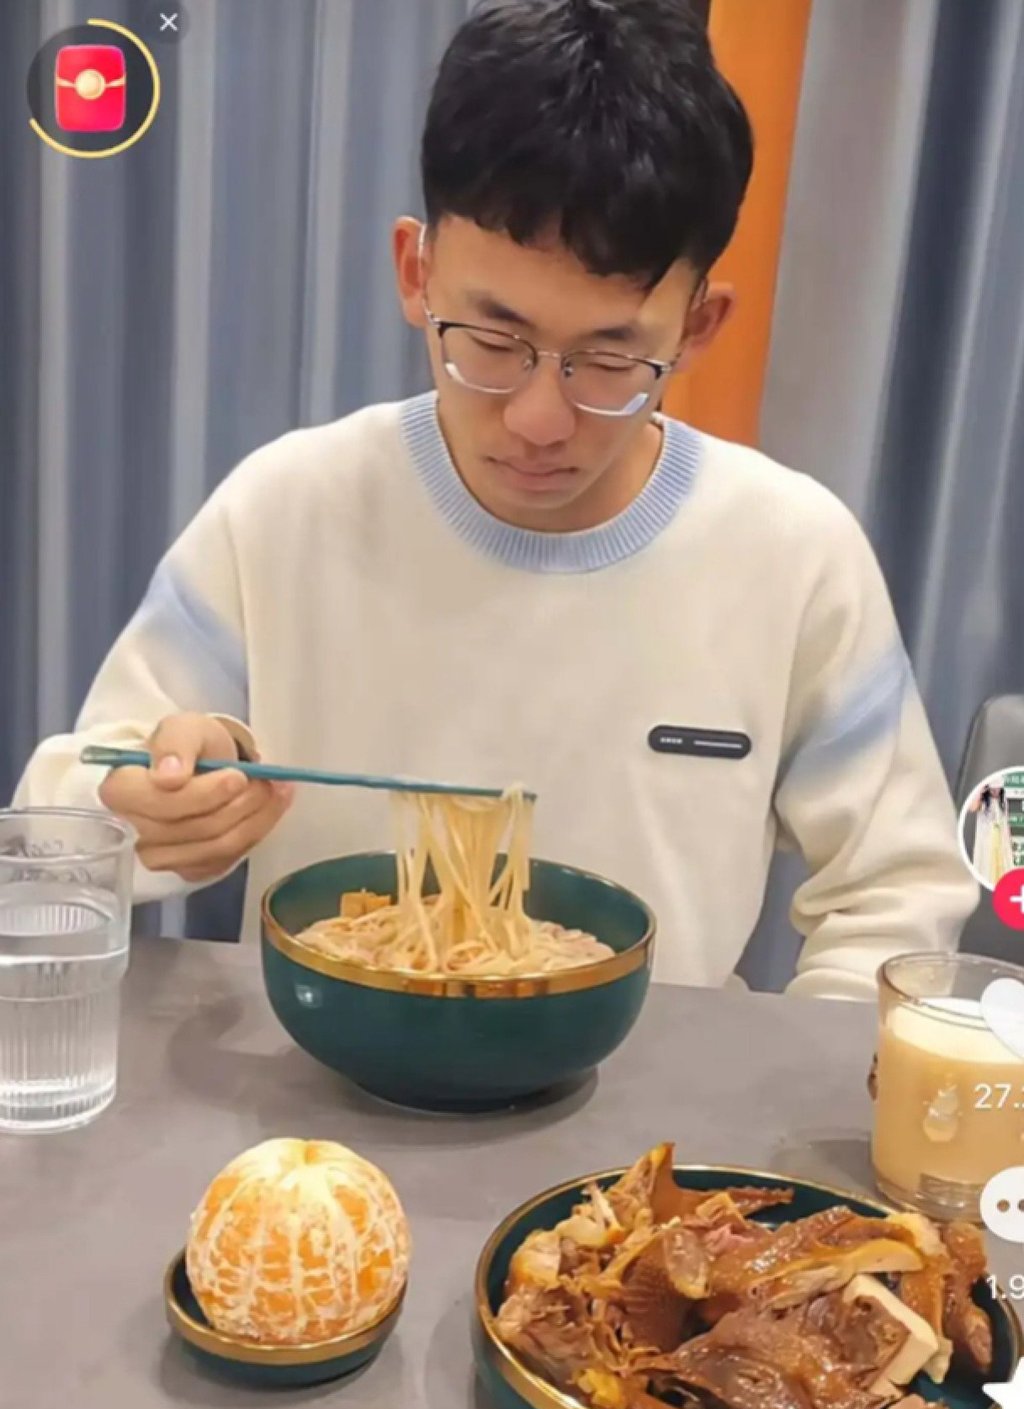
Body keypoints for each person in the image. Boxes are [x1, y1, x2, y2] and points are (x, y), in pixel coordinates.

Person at [14, 0, 976, 998]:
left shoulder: (792, 552)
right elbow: (57, 815)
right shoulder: (287, 510)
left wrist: (766, 1098)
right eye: (492, 340)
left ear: (696, 328)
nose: (538, 417)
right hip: (323, 1107)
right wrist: (148, 806)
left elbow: (893, 895)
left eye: (610, 356)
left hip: (653, 1127)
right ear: (415, 275)